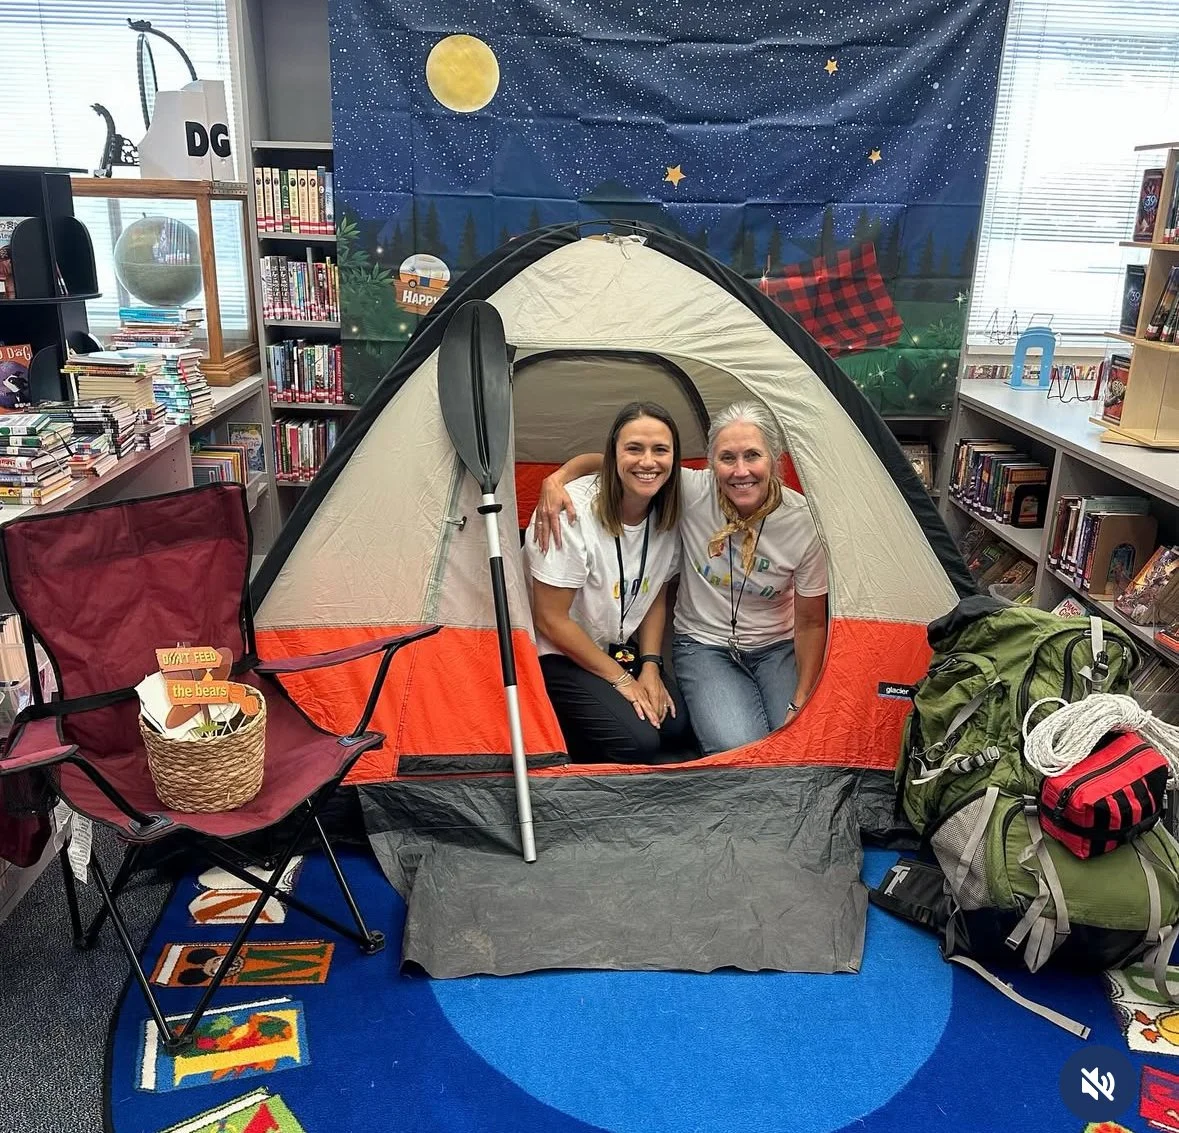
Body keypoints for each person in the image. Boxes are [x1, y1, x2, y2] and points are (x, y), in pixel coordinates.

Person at [534, 400, 828, 755]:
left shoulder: (804, 523)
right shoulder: (690, 490)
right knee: (737, 749)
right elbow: (621, 465)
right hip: (704, 645)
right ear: (710, 464)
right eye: (727, 458)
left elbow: (811, 622)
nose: (740, 471)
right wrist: (558, 477)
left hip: (774, 646)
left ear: (775, 459)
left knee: (797, 741)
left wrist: (801, 700)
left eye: (753, 455)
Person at [524, 401, 696, 764]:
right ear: (613, 454)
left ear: (674, 458)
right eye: (634, 448)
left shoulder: (668, 511)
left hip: (614, 647)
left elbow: (656, 593)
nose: (647, 462)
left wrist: (650, 666)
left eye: (660, 450)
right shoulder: (570, 513)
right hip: (557, 653)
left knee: (677, 726)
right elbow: (549, 619)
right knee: (639, 743)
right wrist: (623, 682)